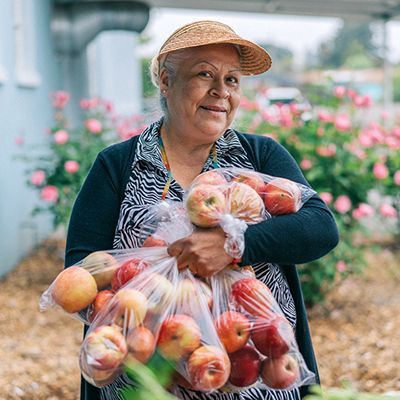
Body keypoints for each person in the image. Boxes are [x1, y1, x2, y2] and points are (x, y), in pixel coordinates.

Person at [65, 20, 339, 400]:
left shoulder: (259, 157)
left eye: (232, 80)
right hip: (149, 381)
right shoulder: (119, 165)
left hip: (256, 378)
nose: (220, 91)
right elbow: (80, 272)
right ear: (165, 81)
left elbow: (320, 229)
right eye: (204, 74)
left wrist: (233, 245)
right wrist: (152, 284)